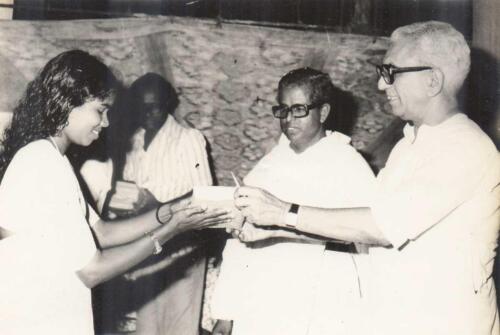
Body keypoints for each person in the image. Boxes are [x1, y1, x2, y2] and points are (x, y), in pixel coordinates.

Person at [234, 21, 500, 335]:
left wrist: (283, 213)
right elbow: (363, 233)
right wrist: (277, 230)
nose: (380, 86)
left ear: (432, 80)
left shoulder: (464, 147)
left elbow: (381, 227)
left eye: (391, 73)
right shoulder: (409, 145)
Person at [0, 50, 230, 335]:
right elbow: (92, 270)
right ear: (68, 101)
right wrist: (172, 229)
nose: (106, 122)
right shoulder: (41, 162)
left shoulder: (53, 158)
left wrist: (164, 212)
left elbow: (102, 232)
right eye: (100, 110)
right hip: (38, 318)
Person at [211, 68, 376, 335]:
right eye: (283, 109)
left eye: (299, 109)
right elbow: (238, 243)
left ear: (322, 112)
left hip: (321, 300)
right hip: (260, 300)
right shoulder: (270, 163)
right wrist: (225, 313)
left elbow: (364, 236)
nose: (289, 119)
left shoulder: (347, 163)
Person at [81, 72, 213, 335]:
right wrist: (123, 205)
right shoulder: (135, 140)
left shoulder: (189, 138)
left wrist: (156, 203)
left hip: (183, 251)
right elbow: (128, 191)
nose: (147, 113)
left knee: (178, 328)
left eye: (154, 106)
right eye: (141, 107)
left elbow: (205, 198)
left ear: (167, 104)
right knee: (148, 329)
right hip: (147, 249)